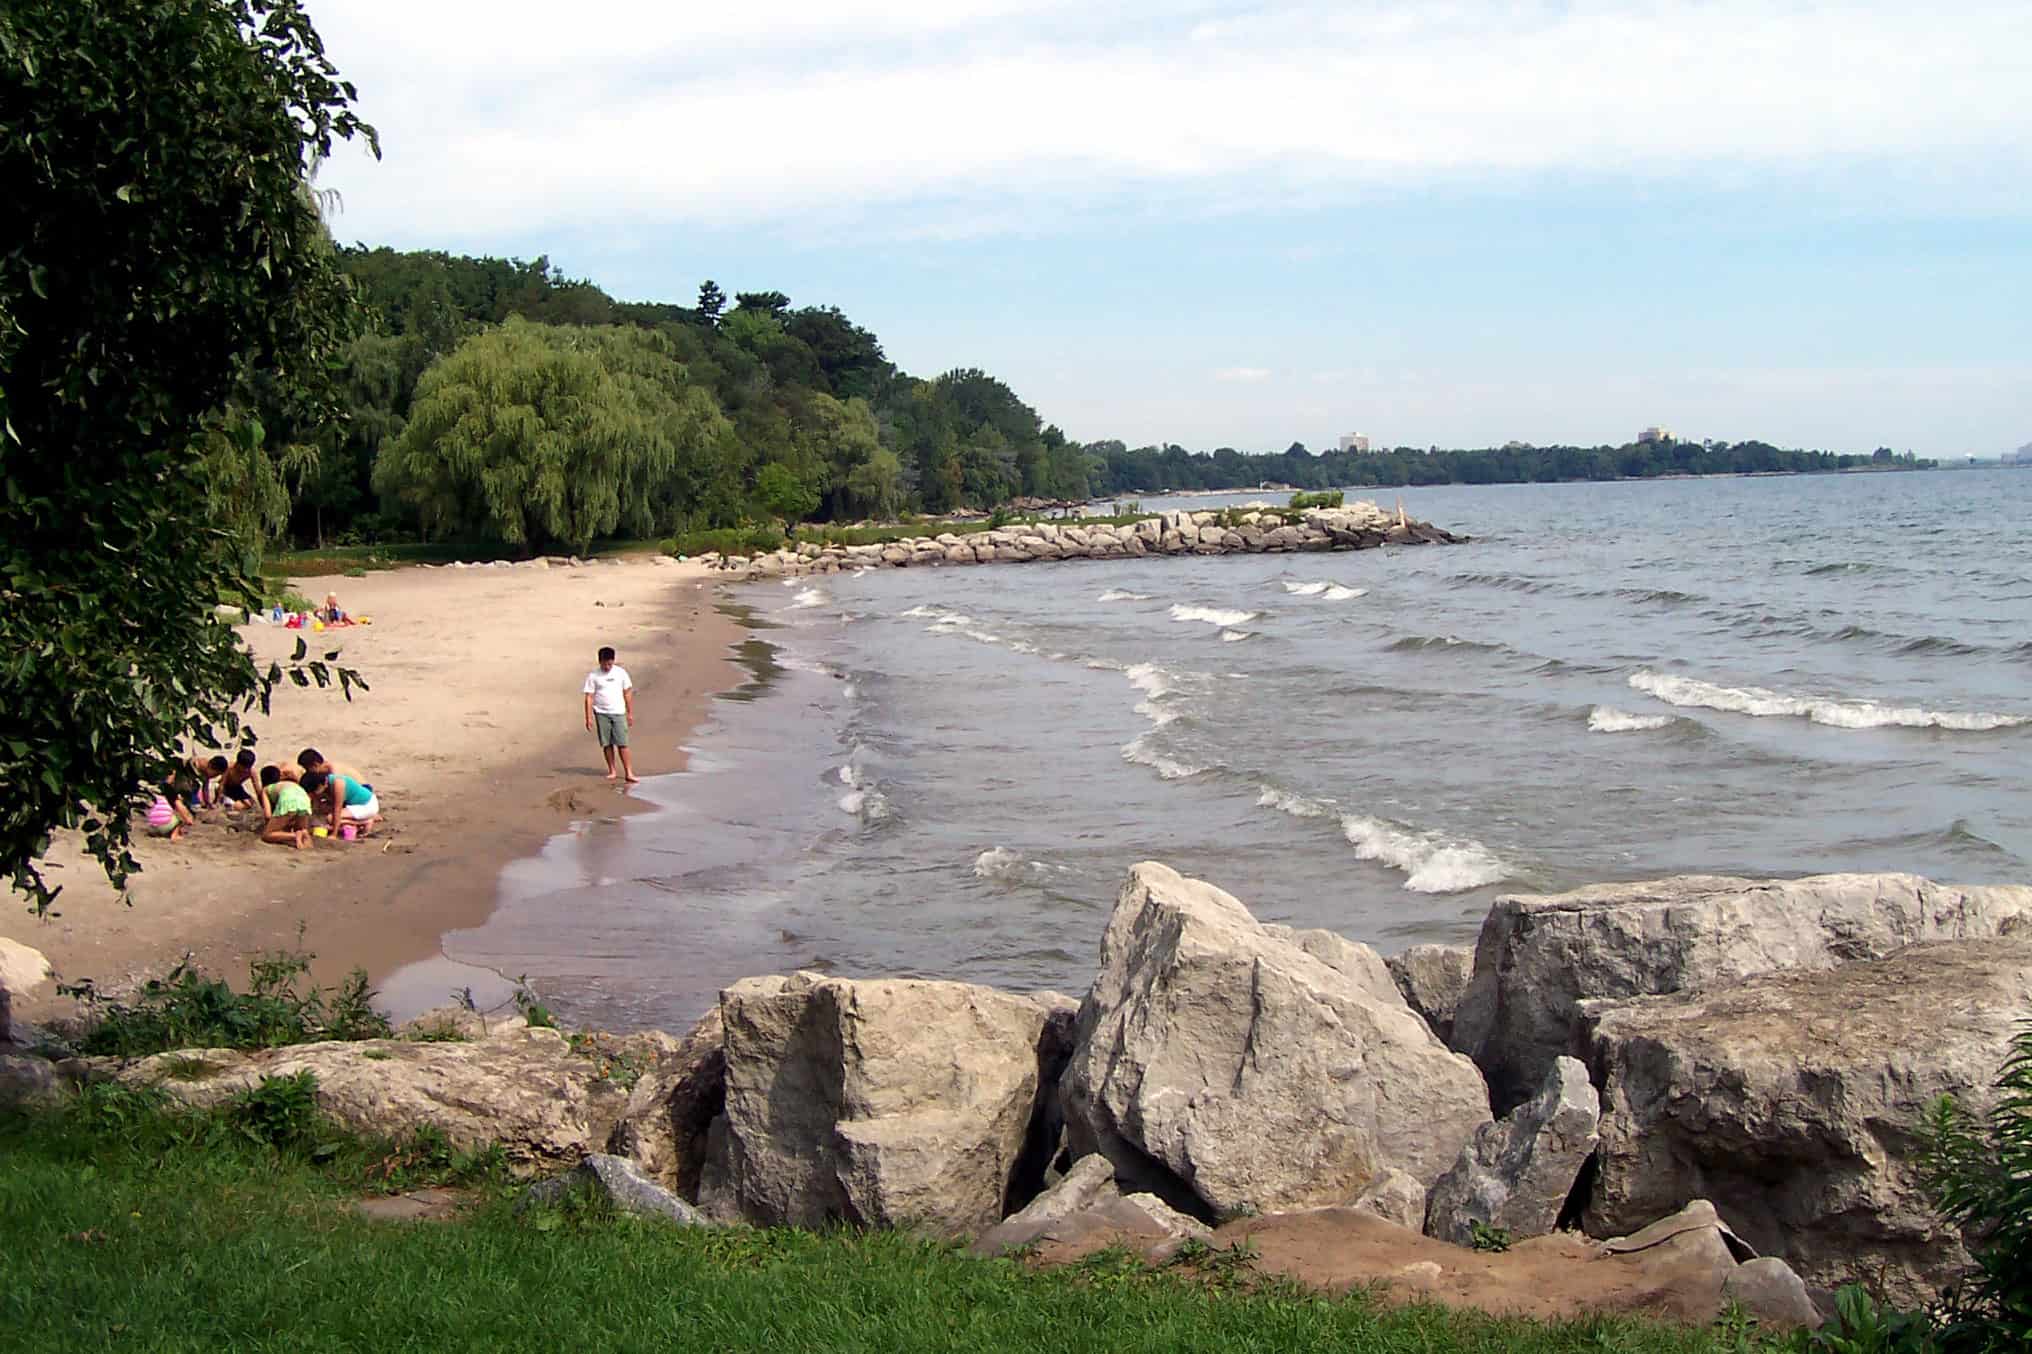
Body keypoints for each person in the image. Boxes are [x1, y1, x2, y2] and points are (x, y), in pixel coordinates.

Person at [581, 645, 638, 783]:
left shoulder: (621, 673)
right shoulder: (593, 675)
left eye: (610, 663)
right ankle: (612, 770)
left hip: (618, 712)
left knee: (622, 743)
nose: (607, 666)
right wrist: (588, 717)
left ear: (613, 661)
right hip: (601, 712)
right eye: (605, 663)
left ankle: (628, 772)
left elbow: (628, 692)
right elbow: (589, 697)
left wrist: (630, 713)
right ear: (599, 661)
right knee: (607, 744)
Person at [301, 767, 380, 837]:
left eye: (314, 791)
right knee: (322, 810)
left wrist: (333, 834)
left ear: (323, 784)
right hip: (351, 804)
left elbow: (337, 810)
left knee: (330, 818)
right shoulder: (323, 784)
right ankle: (354, 821)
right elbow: (315, 806)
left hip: (367, 805)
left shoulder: (338, 784)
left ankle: (365, 822)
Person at [258, 765, 314, 850]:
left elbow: (268, 815)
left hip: (288, 798)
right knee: (302, 830)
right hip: (304, 798)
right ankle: (303, 839)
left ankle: (294, 836)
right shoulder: (288, 783)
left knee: (267, 835)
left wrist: (270, 825)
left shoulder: (266, 789)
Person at [216, 749, 265, 814]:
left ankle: (231, 803)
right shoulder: (230, 768)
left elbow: (257, 790)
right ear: (238, 763)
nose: (246, 770)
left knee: (251, 804)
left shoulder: (251, 772)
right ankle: (228, 803)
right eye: (244, 767)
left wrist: (263, 806)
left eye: (248, 768)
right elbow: (222, 784)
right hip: (225, 788)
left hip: (237, 788)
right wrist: (218, 800)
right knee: (238, 806)